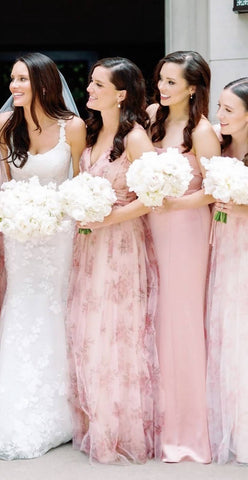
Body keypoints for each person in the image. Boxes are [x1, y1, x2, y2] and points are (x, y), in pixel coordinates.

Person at [0, 51, 86, 460]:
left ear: (44, 83)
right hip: (21, 238)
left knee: (57, 310)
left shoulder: (73, 127)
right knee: (22, 307)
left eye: (22, 79)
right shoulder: (7, 125)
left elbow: (78, 183)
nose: (14, 86)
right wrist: (14, 211)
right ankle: (19, 413)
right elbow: (4, 182)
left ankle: (64, 414)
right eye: (12, 79)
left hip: (60, 236)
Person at [65, 57, 161, 465]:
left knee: (118, 330)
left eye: (97, 85)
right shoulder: (92, 133)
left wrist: (108, 217)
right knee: (89, 327)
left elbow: (153, 197)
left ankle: (120, 427)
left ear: (121, 94)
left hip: (120, 243)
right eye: (89, 83)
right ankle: (93, 420)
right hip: (89, 245)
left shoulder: (136, 138)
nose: (88, 90)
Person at [146, 50, 221, 463]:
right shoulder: (153, 117)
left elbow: (215, 189)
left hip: (186, 231)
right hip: (151, 226)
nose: (163, 87)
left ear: (193, 87)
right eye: (161, 79)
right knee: (155, 319)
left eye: (172, 82)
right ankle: (154, 419)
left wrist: (176, 202)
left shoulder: (203, 131)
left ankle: (186, 429)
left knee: (181, 323)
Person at [206, 77, 248, 465]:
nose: (219, 116)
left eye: (229, 109)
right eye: (219, 107)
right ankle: (232, 425)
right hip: (224, 248)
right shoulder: (218, 144)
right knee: (226, 330)